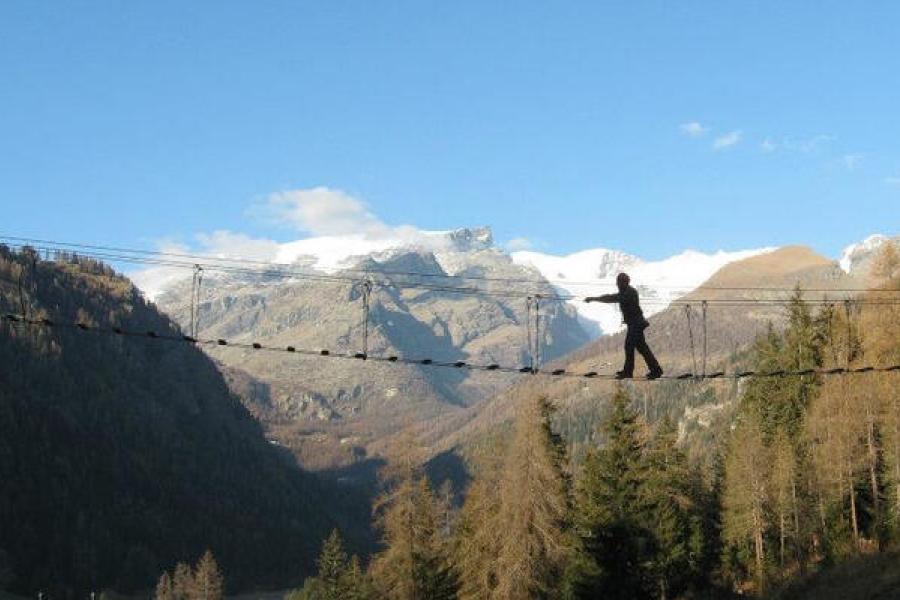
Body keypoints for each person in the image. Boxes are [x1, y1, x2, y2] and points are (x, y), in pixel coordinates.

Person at [585, 272, 664, 380]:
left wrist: (594, 299)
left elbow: (612, 298)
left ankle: (628, 372)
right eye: (618, 282)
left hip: (635, 324)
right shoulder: (627, 291)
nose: (618, 284)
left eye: (619, 282)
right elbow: (612, 297)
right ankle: (656, 370)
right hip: (636, 324)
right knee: (642, 348)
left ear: (625, 283)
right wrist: (594, 299)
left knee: (629, 346)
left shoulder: (629, 293)